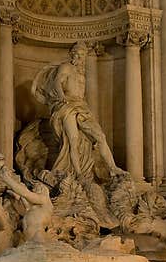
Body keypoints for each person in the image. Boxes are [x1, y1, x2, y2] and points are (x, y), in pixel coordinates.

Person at [32, 41, 123, 183]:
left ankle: (112, 168)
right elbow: (57, 81)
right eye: (78, 55)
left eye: (82, 56)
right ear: (72, 55)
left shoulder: (82, 73)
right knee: (72, 140)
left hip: (82, 107)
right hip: (67, 106)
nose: (80, 58)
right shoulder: (66, 67)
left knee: (100, 136)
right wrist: (61, 97)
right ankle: (79, 174)